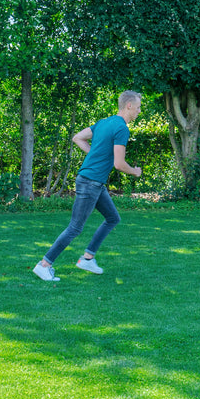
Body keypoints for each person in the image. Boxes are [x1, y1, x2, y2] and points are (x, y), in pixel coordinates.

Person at [32, 90, 143, 282]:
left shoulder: (104, 122)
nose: (139, 111)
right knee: (75, 228)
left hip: (93, 182)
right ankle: (44, 265)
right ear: (129, 105)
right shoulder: (122, 128)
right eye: (138, 107)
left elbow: (77, 138)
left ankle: (88, 258)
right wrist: (135, 171)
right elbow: (118, 164)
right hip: (91, 182)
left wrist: (95, 154)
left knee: (112, 218)